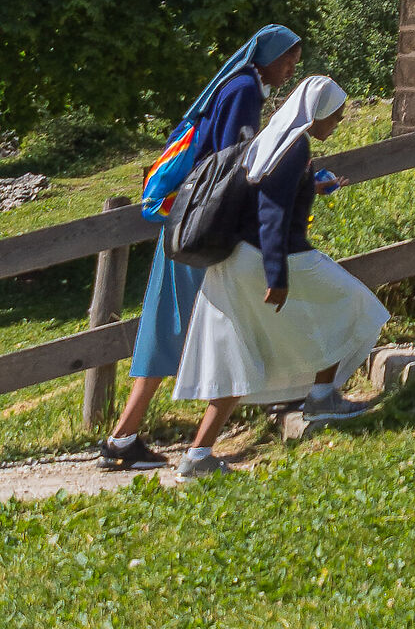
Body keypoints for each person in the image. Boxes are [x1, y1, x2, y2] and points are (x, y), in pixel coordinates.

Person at [99, 24, 304, 472]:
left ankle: (123, 437)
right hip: (204, 230)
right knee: (206, 322)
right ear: (266, 55)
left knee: (165, 322)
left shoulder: (234, 85)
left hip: (184, 222)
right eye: (288, 57)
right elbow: (234, 159)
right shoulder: (246, 88)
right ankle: (188, 448)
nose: (292, 66)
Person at [172, 75, 389, 480]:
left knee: (238, 353)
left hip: (239, 259)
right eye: (336, 117)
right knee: (356, 304)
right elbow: (271, 215)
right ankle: (322, 395)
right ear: (317, 113)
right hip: (270, 258)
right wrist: (278, 275)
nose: (337, 124)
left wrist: (314, 184)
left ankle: (198, 455)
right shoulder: (295, 148)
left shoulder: (276, 141)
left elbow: (271, 194)